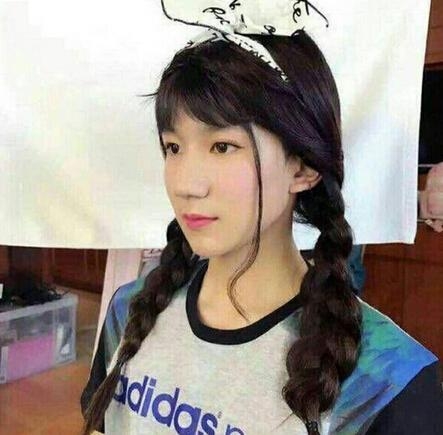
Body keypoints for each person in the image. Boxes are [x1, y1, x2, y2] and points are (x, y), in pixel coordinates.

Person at [80, 20, 443, 435]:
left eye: (222, 146)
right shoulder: (129, 312)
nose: (185, 184)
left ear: (303, 167)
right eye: (173, 147)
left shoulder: (387, 383)